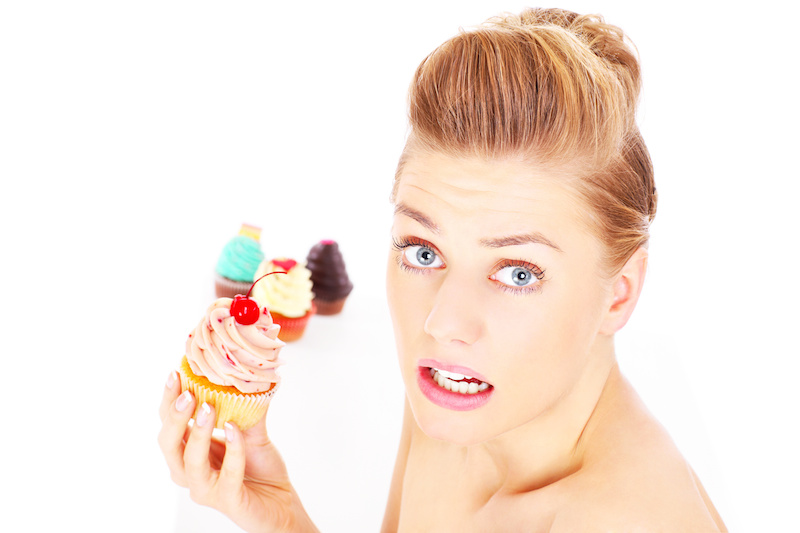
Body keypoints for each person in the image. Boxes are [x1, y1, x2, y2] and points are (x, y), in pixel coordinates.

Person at [159, 8, 726, 531]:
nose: (444, 320)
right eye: (423, 252)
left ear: (619, 294)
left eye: (519, 273)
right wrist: (279, 513)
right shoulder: (461, 395)